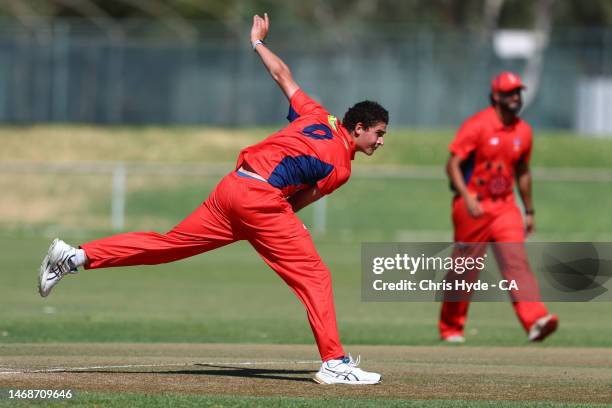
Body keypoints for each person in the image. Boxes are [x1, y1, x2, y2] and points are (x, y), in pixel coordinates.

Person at [38, 13, 387, 385]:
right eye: (378, 134)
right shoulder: (340, 165)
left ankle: (74, 256)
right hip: (260, 201)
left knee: (167, 245)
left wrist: (257, 42)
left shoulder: (317, 114)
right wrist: (279, 225)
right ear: (359, 128)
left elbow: (282, 75)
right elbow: (302, 199)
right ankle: (334, 362)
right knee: (315, 275)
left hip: (233, 187)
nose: (380, 142)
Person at [440, 71, 558, 343]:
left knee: (516, 262)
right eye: (510, 93)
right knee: (464, 269)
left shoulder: (524, 131)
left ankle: (535, 320)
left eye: (518, 92)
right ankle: (451, 328)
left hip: (505, 207)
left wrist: (529, 211)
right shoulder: (477, 125)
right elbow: (452, 164)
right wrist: (466, 197)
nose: (515, 97)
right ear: (496, 96)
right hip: (473, 207)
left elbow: (523, 172)